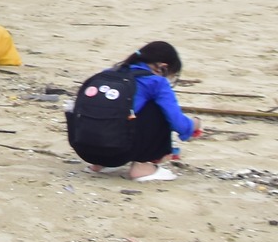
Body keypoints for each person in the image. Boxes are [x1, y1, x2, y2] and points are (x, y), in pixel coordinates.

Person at [67, 42, 202, 181]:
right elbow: (178, 123)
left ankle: (99, 165)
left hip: (85, 149)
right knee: (158, 108)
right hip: (120, 151)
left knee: (111, 110)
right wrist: (194, 125)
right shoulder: (155, 82)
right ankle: (142, 167)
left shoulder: (108, 73)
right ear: (163, 67)